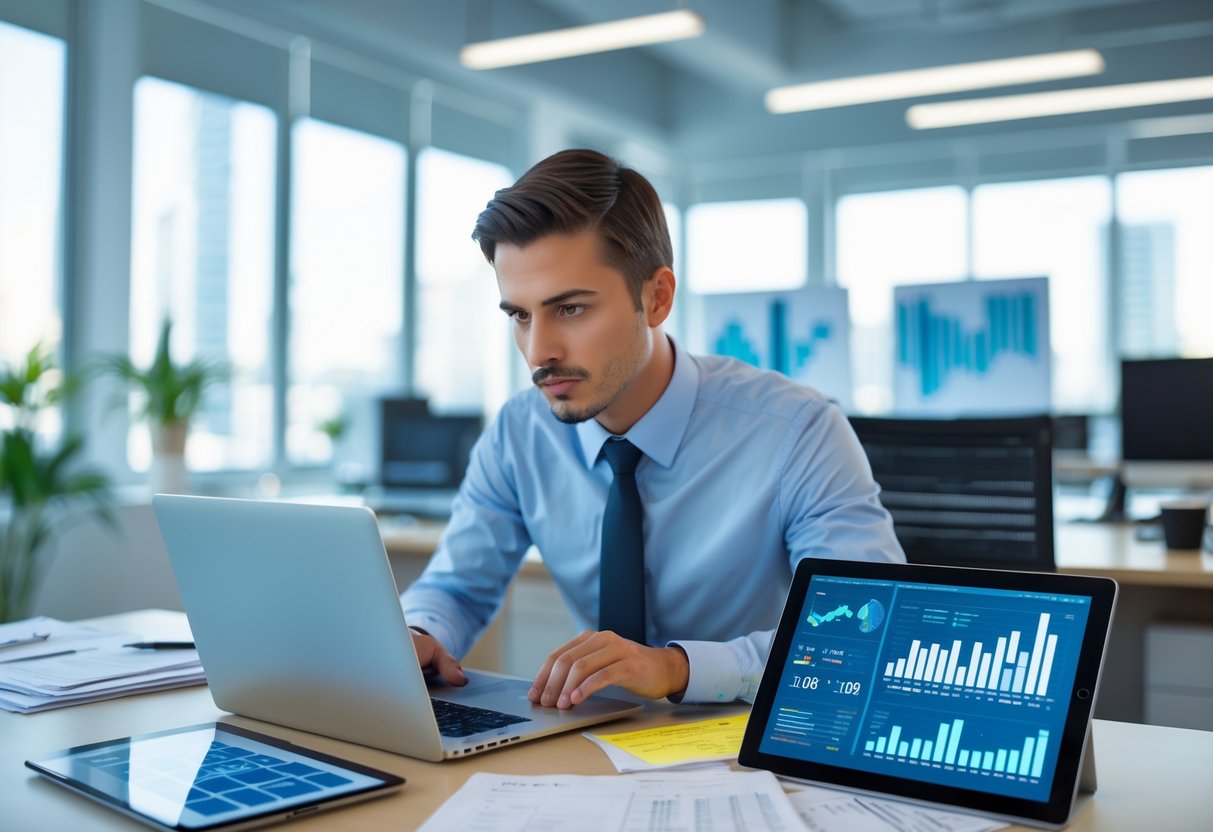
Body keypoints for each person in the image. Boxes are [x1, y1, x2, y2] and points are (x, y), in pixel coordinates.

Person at [401, 148, 904, 710]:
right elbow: (456, 586)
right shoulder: (519, 435)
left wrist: (675, 667)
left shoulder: (799, 432)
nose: (538, 351)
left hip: (751, 743)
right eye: (520, 315)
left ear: (656, 296)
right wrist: (420, 634)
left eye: (570, 309)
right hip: (593, 747)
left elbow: (867, 631)